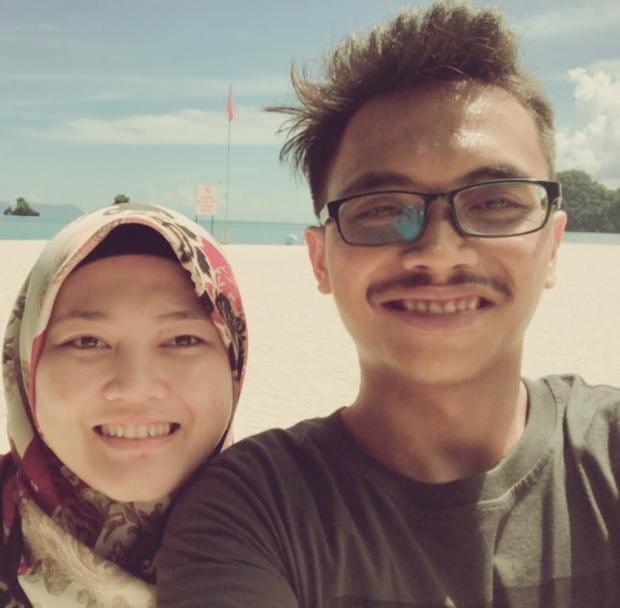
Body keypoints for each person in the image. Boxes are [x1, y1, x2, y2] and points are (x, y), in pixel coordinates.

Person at [157, 3, 620, 606]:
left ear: (552, 244)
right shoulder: (251, 510)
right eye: (381, 210)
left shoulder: (607, 454)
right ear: (321, 260)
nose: (440, 252)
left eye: (495, 202)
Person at [0, 202, 247, 607]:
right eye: (88, 341)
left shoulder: (298, 534)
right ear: (26, 367)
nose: (135, 387)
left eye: (182, 340)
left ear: (233, 365)